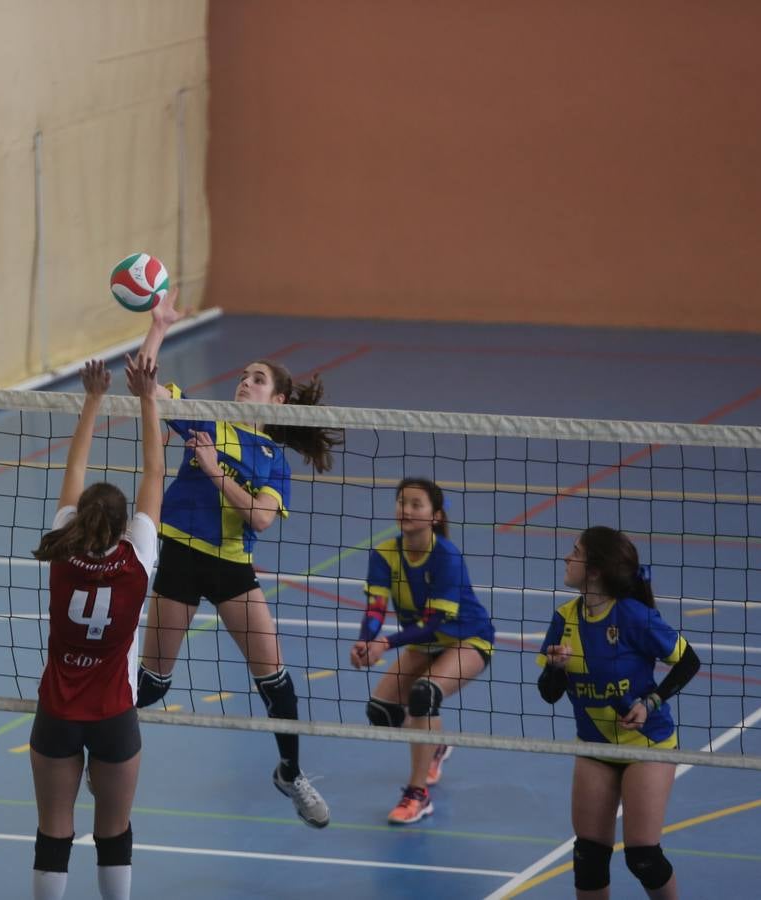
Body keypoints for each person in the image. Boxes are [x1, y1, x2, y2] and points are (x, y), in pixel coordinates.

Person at [131, 294, 343, 828]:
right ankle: (99, 742)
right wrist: (158, 327)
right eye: (244, 375)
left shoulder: (274, 461)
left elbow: (261, 520)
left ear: (279, 400)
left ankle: (290, 774)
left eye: (258, 379)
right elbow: (145, 381)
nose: (245, 382)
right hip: (180, 556)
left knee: (275, 680)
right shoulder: (207, 419)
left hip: (231, 568)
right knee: (150, 687)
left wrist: (211, 467)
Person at [28, 355, 164, 900]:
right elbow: (154, 472)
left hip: (57, 712)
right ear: (125, 523)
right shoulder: (138, 558)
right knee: (114, 831)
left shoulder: (62, 546)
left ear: (81, 517)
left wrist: (91, 399)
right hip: (113, 714)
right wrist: (147, 398)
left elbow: (73, 471)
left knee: (52, 830)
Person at [538, 526, 701, 899]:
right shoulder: (564, 619)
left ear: (594, 570)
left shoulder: (633, 617)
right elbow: (549, 694)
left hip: (648, 744)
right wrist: (555, 669)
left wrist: (651, 703)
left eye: (575, 552)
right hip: (595, 745)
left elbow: (688, 661)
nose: (566, 558)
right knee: (588, 855)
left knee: (642, 856)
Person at [349, 477, 495, 824]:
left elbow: (432, 622)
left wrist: (384, 643)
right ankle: (436, 744)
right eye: (402, 502)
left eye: (416, 504)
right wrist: (366, 640)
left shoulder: (446, 556)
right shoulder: (384, 553)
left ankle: (418, 794)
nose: (407, 510)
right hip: (423, 642)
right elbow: (375, 608)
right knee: (381, 713)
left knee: (423, 694)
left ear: (435, 515)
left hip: (466, 639)